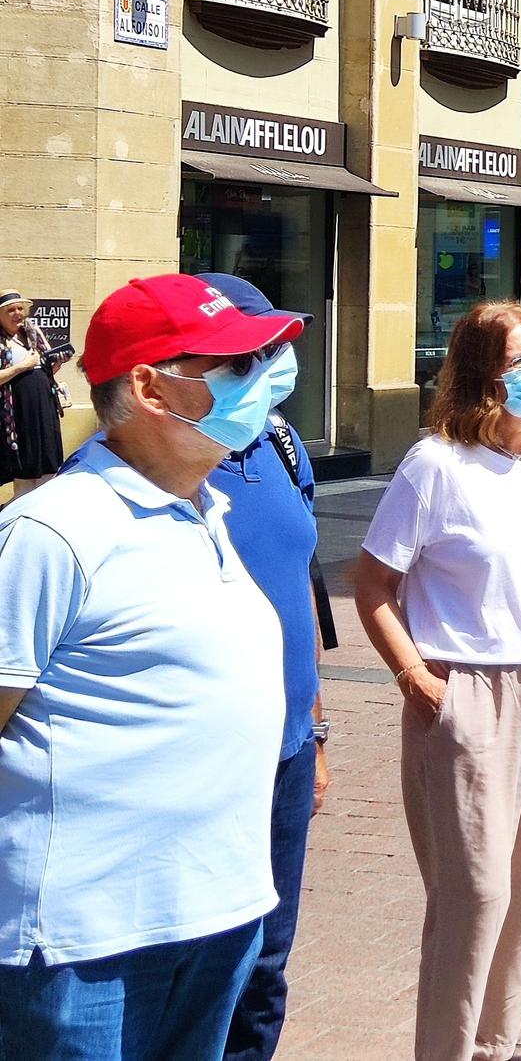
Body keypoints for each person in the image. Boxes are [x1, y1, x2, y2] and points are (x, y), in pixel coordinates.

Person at [0, 273, 304, 1059]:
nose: (258, 383)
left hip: (217, 915)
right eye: (232, 367)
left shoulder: (208, 508)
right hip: (84, 945)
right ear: (148, 387)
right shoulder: (51, 531)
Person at [352, 303, 521, 1061]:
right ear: (482, 377)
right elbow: (371, 582)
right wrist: (415, 677)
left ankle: (495, 1049)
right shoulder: (436, 465)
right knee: (476, 898)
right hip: (469, 691)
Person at [191, 275, 328, 1061]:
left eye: (275, 349)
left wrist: (317, 732)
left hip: (285, 753)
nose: (275, 363)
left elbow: (303, 590)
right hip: (202, 760)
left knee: (266, 964)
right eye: (253, 352)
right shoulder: (150, 473)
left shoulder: (280, 441)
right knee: (196, 965)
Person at [0, 290, 71, 495]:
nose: (17, 314)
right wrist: (22, 366)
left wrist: (55, 362)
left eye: (20, 309)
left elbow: (45, 365)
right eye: (10, 310)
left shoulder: (33, 331)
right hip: (17, 411)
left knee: (48, 464)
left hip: (43, 405)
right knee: (26, 469)